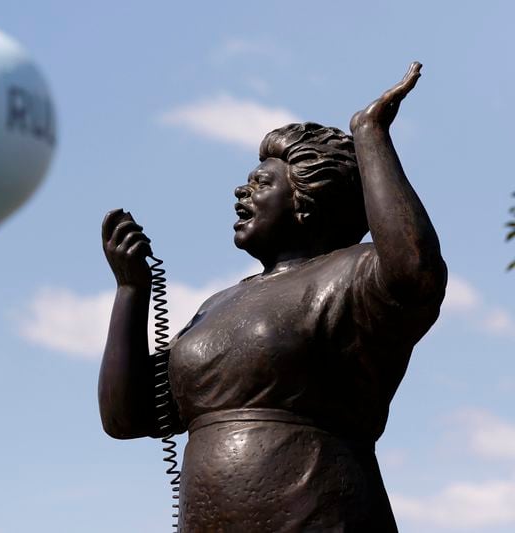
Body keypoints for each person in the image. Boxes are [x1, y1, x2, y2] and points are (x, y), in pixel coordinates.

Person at [98, 62, 446, 532]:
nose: (242, 190)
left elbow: (415, 271)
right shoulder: (216, 306)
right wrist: (131, 291)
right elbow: (126, 416)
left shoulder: (352, 273)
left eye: (262, 182)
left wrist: (370, 136)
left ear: (308, 201)